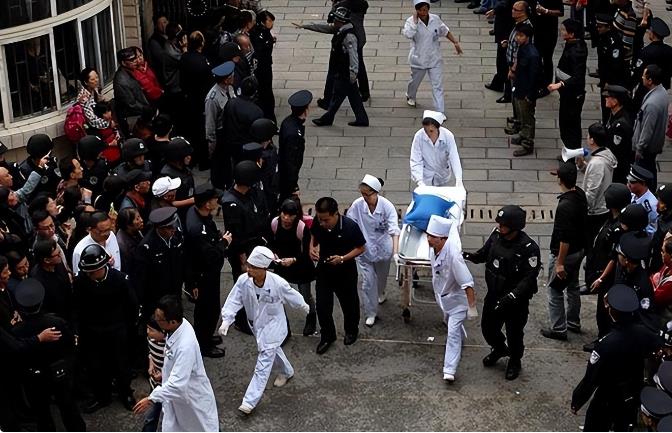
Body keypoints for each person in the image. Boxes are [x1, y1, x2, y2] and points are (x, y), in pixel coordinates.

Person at [220, 246, 309, 416]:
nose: (249, 269)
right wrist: (227, 320)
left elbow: (291, 295)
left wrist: (303, 305)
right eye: (249, 265)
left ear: (264, 269)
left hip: (274, 326)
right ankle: (287, 371)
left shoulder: (277, 283)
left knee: (264, 361)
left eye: (253, 267)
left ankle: (249, 401)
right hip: (256, 324)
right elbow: (234, 300)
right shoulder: (243, 281)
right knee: (271, 350)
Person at [463, 205, 541, 380]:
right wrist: (465, 255)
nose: (499, 227)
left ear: (514, 227)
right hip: (494, 294)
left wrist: (512, 296)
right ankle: (499, 349)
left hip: (515, 302)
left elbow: (529, 278)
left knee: (514, 334)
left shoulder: (529, 248)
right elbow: (482, 255)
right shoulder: (496, 236)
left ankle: (515, 360)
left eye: (503, 225)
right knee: (488, 328)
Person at [571, 284, 662, 431]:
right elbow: (657, 347)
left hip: (608, 396)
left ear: (611, 311)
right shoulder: (644, 333)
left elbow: (592, 377)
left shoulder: (606, 344)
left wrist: (578, 399)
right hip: (632, 394)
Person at [133, 295, 219, 432]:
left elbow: (177, 385)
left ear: (172, 321)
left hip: (191, 401)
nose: (156, 321)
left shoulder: (185, 346)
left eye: (159, 319)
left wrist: (151, 398)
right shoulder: (176, 328)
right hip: (179, 401)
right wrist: (165, 375)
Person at [11, 278, 85, 431]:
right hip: (59, 372)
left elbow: (17, 353)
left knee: (42, 413)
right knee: (68, 407)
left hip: (34, 377)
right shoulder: (56, 322)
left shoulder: (17, 331)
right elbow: (70, 345)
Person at [73, 243, 137, 413]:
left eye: (92, 271)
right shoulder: (81, 281)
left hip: (116, 329)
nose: (89, 275)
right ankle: (102, 396)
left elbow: (131, 305)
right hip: (92, 331)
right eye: (87, 271)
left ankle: (126, 392)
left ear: (103, 267)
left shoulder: (119, 280)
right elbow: (77, 307)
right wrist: (78, 330)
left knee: (121, 364)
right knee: (96, 366)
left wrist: (128, 328)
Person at [310, 196, 366, 354]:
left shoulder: (350, 226)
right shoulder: (318, 222)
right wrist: (312, 248)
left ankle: (351, 330)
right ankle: (327, 335)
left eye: (326, 220)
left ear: (336, 214)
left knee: (349, 305)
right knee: (322, 306)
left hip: (345, 271)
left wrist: (342, 258)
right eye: (320, 219)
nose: (322, 223)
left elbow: (361, 248)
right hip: (324, 269)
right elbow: (313, 234)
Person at [426, 215, 476, 382]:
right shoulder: (433, 249)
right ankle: (461, 337)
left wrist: (472, 308)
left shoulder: (454, 256)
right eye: (428, 235)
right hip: (443, 297)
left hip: (458, 301)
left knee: (452, 333)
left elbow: (467, 283)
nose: (428, 239)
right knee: (450, 324)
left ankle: (449, 369)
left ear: (443, 239)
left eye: (432, 236)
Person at [185, 185, 232, 358]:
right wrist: (224, 242)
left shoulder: (197, 213)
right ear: (207, 204)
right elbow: (209, 255)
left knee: (209, 310)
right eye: (214, 199)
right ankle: (203, 345)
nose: (217, 201)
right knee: (208, 311)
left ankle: (206, 336)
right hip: (204, 275)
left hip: (207, 272)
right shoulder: (197, 228)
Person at [542, 162, 587, 341]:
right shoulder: (580, 194)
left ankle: (558, 328)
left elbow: (564, 239)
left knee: (554, 290)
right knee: (573, 285)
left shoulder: (565, 206)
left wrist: (559, 263)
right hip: (579, 250)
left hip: (566, 255)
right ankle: (573, 322)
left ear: (560, 179)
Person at [347, 175, 400, 326]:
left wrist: (396, 253)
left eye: (367, 194)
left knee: (381, 279)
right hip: (364, 250)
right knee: (368, 282)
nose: (365, 197)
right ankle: (371, 313)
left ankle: (381, 292)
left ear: (376, 192)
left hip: (383, 250)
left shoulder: (387, 207)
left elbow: (394, 231)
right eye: (362, 194)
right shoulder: (357, 205)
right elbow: (350, 224)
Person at [583, 183, 631, 345]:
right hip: (599, 267)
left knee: (603, 311)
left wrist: (601, 278)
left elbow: (613, 257)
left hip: (607, 275)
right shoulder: (611, 219)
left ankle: (603, 339)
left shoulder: (619, 227)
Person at [312, 7, 369, 127]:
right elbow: (325, 28)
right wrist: (307, 26)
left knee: (337, 95)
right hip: (342, 71)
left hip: (345, 73)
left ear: (341, 21)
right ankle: (362, 119)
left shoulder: (349, 36)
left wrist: (353, 73)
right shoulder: (341, 30)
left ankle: (327, 118)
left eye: (336, 20)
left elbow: (354, 56)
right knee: (353, 96)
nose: (334, 22)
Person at [402, 0, 462, 112]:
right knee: (414, 82)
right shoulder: (410, 21)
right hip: (419, 59)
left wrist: (455, 42)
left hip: (434, 58)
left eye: (426, 9)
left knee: (437, 86)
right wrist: (415, 22)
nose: (424, 12)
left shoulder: (435, 19)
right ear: (416, 10)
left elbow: (444, 31)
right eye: (421, 10)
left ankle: (440, 111)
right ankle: (410, 95)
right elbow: (408, 34)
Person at [269, 198, 317, 335]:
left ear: (296, 215)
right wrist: (274, 255)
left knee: (305, 295)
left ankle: (311, 318)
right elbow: (271, 243)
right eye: (284, 214)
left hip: (301, 265)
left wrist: (294, 259)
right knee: (277, 295)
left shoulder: (301, 228)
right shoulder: (275, 223)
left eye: (290, 215)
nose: (286, 218)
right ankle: (283, 326)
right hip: (281, 264)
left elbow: (306, 252)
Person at [135, 207, 188, 320]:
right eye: (169, 227)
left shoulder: (175, 237)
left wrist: (190, 282)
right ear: (160, 228)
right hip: (157, 300)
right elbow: (141, 280)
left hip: (175, 294)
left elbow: (183, 262)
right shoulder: (147, 247)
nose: (173, 229)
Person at [546, 19, 588, 151]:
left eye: (564, 30)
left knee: (570, 126)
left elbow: (577, 77)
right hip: (567, 94)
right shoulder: (571, 44)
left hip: (572, 95)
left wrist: (560, 84)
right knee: (566, 124)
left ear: (572, 34)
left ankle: (572, 156)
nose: (561, 31)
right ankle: (570, 152)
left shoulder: (577, 51)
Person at [578, 123, 617, 254]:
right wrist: (582, 166)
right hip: (603, 207)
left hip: (596, 212)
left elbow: (592, 191)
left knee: (591, 246)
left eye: (588, 136)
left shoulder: (597, 163)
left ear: (592, 140)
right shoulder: (606, 154)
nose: (586, 138)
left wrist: (583, 209)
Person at [180, 30, 214, 170]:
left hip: (189, 99)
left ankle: (193, 158)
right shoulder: (203, 61)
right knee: (202, 131)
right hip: (201, 100)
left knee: (192, 130)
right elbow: (209, 82)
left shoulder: (184, 58)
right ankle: (204, 161)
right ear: (202, 44)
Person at [632, 64, 669, 189]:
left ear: (650, 80)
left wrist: (639, 148)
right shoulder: (662, 92)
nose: (642, 77)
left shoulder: (652, 104)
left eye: (644, 76)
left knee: (644, 173)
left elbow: (647, 129)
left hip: (647, 149)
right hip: (655, 144)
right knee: (650, 169)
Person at [509, 23, 540, 157]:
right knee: (521, 114)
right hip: (519, 86)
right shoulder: (522, 48)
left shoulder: (533, 55)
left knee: (527, 118)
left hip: (526, 91)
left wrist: (531, 95)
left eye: (521, 36)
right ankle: (522, 135)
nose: (517, 38)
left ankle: (528, 144)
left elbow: (534, 77)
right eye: (517, 35)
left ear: (527, 37)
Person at [410, 110, 463, 187]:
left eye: (431, 131)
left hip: (443, 177)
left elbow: (454, 157)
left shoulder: (448, 136)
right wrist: (419, 181)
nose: (428, 134)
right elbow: (416, 160)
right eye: (425, 130)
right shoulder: (419, 136)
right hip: (425, 178)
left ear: (437, 128)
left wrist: (458, 179)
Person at [205, 61, 236, 189]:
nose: (234, 77)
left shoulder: (229, 88)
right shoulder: (212, 99)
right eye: (232, 76)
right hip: (220, 134)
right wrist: (211, 145)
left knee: (228, 162)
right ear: (226, 79)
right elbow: (210, 125)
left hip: (230, 130)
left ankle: (228, 182)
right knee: (218, 164)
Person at [278, 90, 312, 202]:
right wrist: (293, 185)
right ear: (305, 111)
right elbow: (291, 160)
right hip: (287, 176)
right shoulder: (294, 133)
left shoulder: (288, 121)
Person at [593, 14, 627, 122]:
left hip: (612, 81)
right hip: (605, 78)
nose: (598, 29)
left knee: (609, 106)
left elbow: (615, 65)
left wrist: (608, 82)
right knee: (605, 105)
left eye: (600, 27)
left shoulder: (614, 41)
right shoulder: (602, 37)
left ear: (608, 27)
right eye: (597, 26)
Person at [631, 17, 672, 106]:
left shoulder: (646, 52)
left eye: (649, 30)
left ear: (652, 34)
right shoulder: (669, 51)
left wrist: (629, 87)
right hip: (662, 90)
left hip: (646, 89)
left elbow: (638, 73)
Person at [113, 48, 150, 136]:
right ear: (123, 63)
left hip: (140, 112)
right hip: (133, 118)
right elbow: (131, 104)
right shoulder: (121, 81)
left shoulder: (131, 71)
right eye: (131, 60)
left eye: (135, 58)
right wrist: (146, 109)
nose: (135, 61)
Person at [71, 210, 121, 275]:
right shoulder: (80, 251)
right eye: (103, 231)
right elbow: (79, 277)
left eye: (109, 229)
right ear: (89, 229)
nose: (107, 233)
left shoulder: (111, 235)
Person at [602, 84, 633, 184]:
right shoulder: (614, 114)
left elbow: (616, 151)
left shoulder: (620, 124)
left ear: (615, 101)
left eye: (608, 97)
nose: (605, 98)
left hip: (617, 170)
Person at [250, 10, 277, 121]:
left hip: (266, 64)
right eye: (269, 21)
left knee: (267, 91)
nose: (271, 23)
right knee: (266, 92)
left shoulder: (265, 31)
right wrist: (269, 42)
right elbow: (260, 49)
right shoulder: (259, 33)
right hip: (262, 67)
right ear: (263, 21)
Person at [533, 0, 564, 95]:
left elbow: (560, 12)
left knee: (547, 57)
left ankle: (547, 85)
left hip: (549, 31)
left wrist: (546, 11)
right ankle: (538, 82)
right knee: (537, 57)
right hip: (536, 29)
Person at [628, 164, 658, 235]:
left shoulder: (651, 205)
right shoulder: (633, 194)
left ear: (643, 183)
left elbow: (652, 230)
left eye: (632, 182)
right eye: (628, 180)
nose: (628, 184)